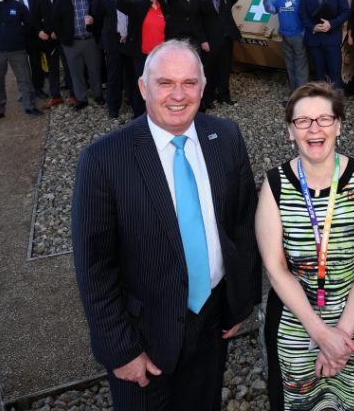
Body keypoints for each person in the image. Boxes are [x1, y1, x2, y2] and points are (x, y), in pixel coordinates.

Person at [73, 40, 260, 411]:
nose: (178, 95)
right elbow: (94, 266)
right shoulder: (104, 160)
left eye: (189, 83)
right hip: (144, 334)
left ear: (202, 89)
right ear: (144, 88)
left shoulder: (226, 137)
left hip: (211, 320)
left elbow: (242, 225)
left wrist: (240, 302)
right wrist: (120, 349)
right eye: (165, 83)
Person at [256, 81, 354, 411]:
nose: (314, 129)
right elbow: (275, 268)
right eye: (303, 121)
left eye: (324, 119)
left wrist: (340, 334)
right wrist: (321, 334)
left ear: (338, 125)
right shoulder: (274, 185)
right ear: (290, 131)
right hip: (294, 322)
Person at [117, 0, 168, 117]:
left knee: (159, 83)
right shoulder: (138, 6)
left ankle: (157, 112)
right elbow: (120, 4)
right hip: (142, 54)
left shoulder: (163, 7)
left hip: (160, 55)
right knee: (142, 85)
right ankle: (139, 115)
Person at [54, 0, 104, 111]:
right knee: (76, 72)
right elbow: (55, 21)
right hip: (72, 43)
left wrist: (94, 21)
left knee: (94, 70)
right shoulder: (62, 0)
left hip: (90, 40)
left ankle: (98, 95)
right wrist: (64, 39)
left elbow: (101, 15)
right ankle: (81, 98)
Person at [299, 0, 350, 89]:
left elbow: (345, 12)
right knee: (318, 74)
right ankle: (321, 99)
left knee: (335, 74)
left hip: (332, 39)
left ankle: (336, 99)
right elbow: (302, 14)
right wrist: (313, 27)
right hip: (314, 40)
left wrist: (331, 24)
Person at [199, 0, 243, 108]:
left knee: (224, 70)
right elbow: (198, 23)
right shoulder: (203, 0)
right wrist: (203, 40)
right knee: (210, 72)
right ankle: (208, 98)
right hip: (210, 43)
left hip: (226, 41)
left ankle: (224, 96)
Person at [261, 0, 307, 93]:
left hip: (299, 36)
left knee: (300, 67)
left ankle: (301, 95)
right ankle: (294, 93)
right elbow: (271, 10)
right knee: (290, 66)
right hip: (285, 37)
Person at [92, 0, 128, 118]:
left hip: (129, 41)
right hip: (113, 41)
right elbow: (96, 12)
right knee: (114, 75)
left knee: (130, 74)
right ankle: (113, 106)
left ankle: (134, 103)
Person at [12, 0, 46, 99]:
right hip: (16, 36)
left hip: (33, 35)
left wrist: (40, 30)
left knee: (36, 63)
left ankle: (38, 88)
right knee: (20, 66)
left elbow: (37, 15)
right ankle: (24, 90)